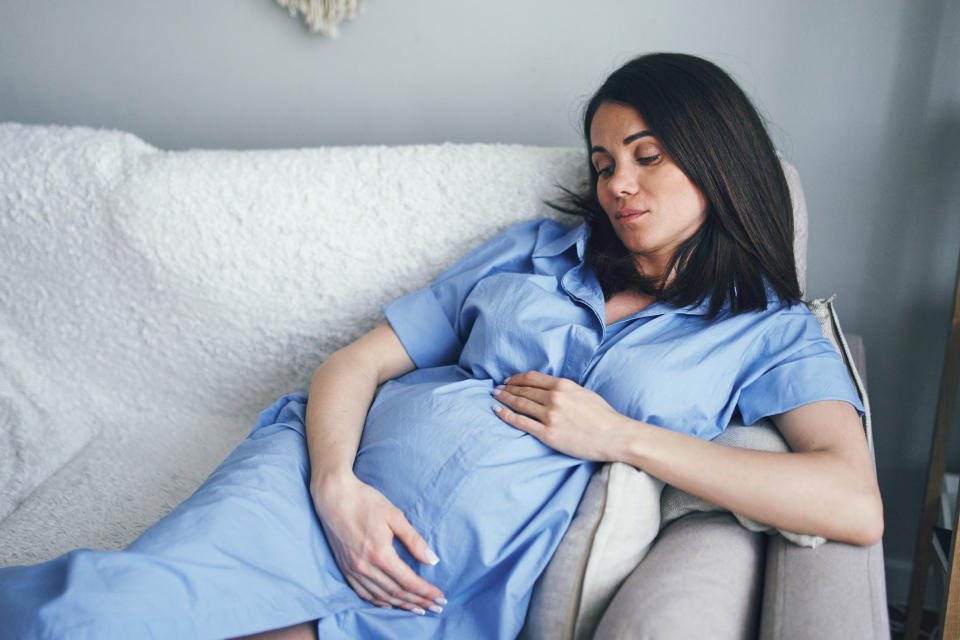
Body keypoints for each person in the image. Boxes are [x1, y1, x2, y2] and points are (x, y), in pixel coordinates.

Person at [0, 52, 882, 640]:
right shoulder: (535, 252)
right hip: (315, 483)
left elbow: (852, 502)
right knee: (103, 614)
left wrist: (618, 436)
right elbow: (356, 364)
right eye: (605, 160)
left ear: (719, 161)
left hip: (440, 575)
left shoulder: (768, 332)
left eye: (646, 157)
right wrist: (336, 488)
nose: (617, 184)